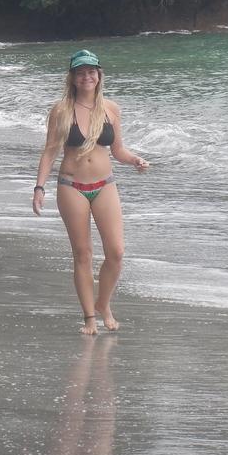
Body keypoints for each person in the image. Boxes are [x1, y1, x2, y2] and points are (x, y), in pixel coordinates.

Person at [33, 49, 150, 335]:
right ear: (72, 78)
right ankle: (89, 318)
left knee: (117, 252)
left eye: (91, 72)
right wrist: (39, 187)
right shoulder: (60, 111)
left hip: (105, 185)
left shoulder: (110, 108)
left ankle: (103, 303)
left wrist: (135, 159)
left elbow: (118, 150)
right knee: (83, 254)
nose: (87, 76)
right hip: (71, 186)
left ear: (99, 75)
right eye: (81, 72)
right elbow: (50, 152)